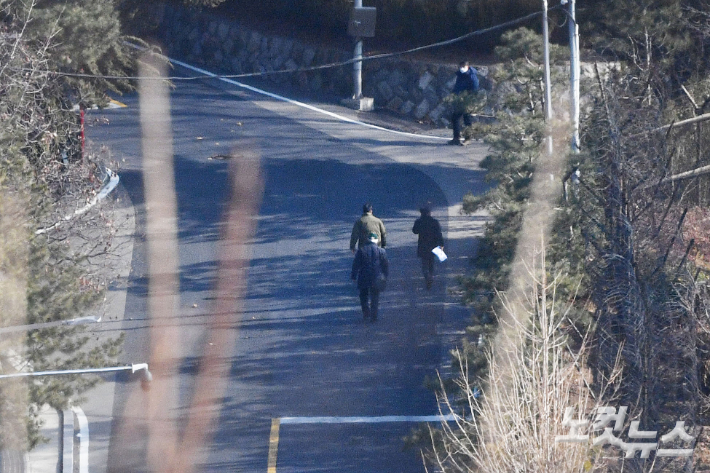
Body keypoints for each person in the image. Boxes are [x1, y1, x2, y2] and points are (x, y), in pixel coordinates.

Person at [351, 232, 389, 322]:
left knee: (363, 295)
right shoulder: (381, 251)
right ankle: (374, 316)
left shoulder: (361, 250)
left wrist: (353, 276)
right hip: (376, 276)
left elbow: (356, 264)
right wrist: (385, 275)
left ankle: (366, 311)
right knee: (375, 296)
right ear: (376, 241)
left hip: (363, 276)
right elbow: (385, 264)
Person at [412, 204, 444, 289]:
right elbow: (439, 234)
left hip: (423, 245)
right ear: (429, 213)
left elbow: (415, 231)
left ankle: (427, 276)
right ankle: (430, 275)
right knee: (431, 262)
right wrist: (441, 244)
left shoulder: (419, 221)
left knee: (424, 263)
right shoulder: (434, 222)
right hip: (433, 245)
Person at [449, 60, 479, 146]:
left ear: (467, 67)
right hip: (459, 100)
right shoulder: (460, 75)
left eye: (463, 66)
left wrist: (470, 101)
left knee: (467, 120)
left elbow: (475, 90)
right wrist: (454, 95)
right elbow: (457, 87)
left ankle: (468, 139)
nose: (461, 68)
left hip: (467, 101)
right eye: (460, 66)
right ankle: (456, 138)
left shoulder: (472, 77)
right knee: (455, 118)